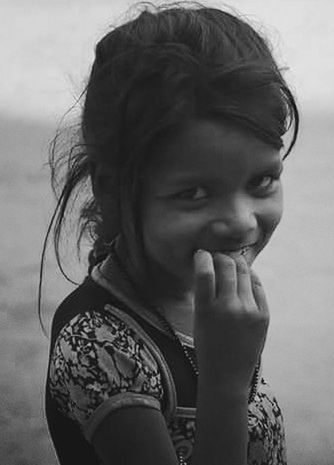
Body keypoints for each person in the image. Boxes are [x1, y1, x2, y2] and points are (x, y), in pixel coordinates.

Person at [43, 2, 299, 464]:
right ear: (112, 190)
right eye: (195, 192)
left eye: (261, 181)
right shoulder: (100, 349)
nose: (242, 221)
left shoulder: (205, 298)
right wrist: (224, 382)